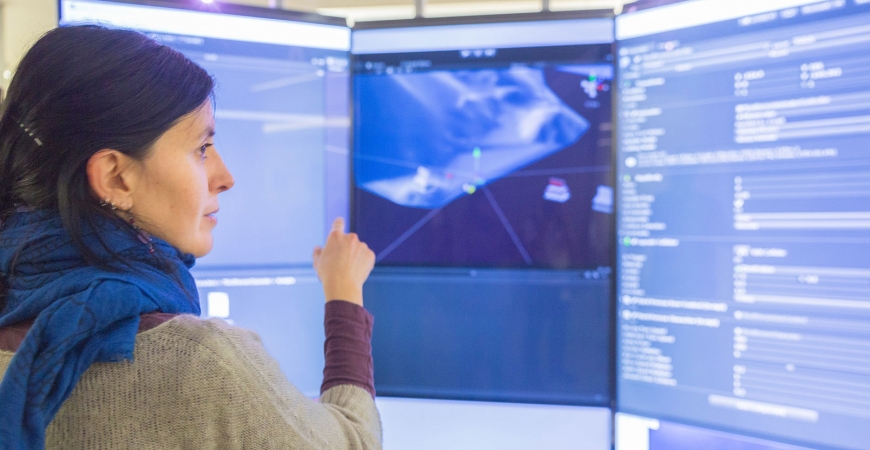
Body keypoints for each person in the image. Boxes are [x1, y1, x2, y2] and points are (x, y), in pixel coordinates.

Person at [0, 25, 380, 449]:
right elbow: (355, 441)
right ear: (115, 177)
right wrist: (344, 295)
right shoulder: (203, 365)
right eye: (202, 148)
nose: (224, 177)